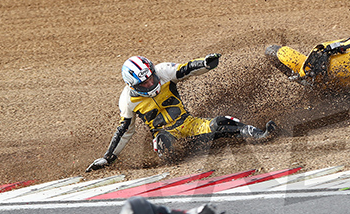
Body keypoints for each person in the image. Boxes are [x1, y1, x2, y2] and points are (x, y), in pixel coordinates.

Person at [86, 53, 277, 172]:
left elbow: (186, 69)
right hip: (164, 133)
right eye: (144, 83)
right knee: (164, 146)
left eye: (151, 78)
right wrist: (108, 157)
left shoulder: (162, 71)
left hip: (188, 123)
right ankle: (189, 149)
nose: (151, 83)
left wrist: (205, 64)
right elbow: (125, 131)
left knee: (219, 122)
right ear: (132, 85)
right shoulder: (127, 100)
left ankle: (259, 133)